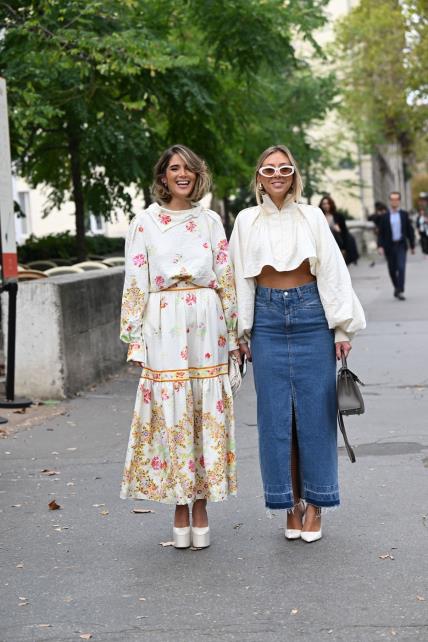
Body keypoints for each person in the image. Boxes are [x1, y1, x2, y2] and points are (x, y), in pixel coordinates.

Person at [230, 144, 366, 543]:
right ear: (259, 176)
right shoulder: (245, 220)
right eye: (269, 169)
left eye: (284, 168)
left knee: (315, 419)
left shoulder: (312, 217)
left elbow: (333, 271)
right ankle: (290, 505)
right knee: (276, 421)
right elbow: (240, 277)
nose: (276, 175)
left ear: (294, 175)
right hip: (268, 320)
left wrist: (342, 330)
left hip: (310, 316)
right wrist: (242, 332)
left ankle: (317, 504)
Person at [120, 144, 240, 549]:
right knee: (170, 413)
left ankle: (201, 503)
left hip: (207, 324)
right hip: (164, 322)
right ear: (163, 176)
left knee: (203, 411)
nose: (182, 174)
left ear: (197, 174)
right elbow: (135, 279)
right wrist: (135, 338)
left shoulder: (210, 221)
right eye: (174, 168)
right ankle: (179, 502)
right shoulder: (145, 223)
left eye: (188, 168)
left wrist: (237, 334)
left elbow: (225, 277)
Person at [377, 191, 415, 300]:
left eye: (396, 199)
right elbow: (381, 233)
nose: (394, 201)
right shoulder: (384, 216)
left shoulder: (404, 214)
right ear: (390, 201)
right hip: (389, 246)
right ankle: (396, 288)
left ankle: (400, 290)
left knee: (401, 267)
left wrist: (412, 245)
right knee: (392, 270)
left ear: (399, 201)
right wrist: (380, 246)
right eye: (392, 199)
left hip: (401, 245)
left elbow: (409, 230)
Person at [319, 195, 359, 265]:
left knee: (341, 266)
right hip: (325, 247)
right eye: (324, 204)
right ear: (321, 205)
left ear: (331, 204)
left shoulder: (338, 216)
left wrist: (344, 248)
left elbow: (345, 232)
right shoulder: (319, 216)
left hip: (338, 245)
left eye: (328, 203)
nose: (326, 206)